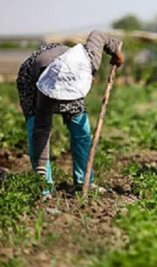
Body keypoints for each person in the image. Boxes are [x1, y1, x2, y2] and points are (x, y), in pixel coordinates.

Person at [16, 30, 124, 197]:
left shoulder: (89, 61)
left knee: (81, 129)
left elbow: (98, 35)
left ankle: (84, 181)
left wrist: (116, 51)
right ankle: (44, 187)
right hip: (34, 78)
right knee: (35, 128)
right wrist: (40, 175)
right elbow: (41, 132)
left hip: (71, 71)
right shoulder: (44, 91)